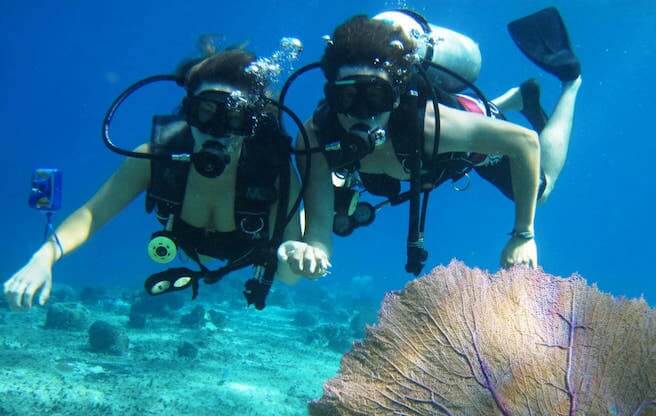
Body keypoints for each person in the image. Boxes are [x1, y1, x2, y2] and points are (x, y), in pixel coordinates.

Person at [3, 48, 329, 310]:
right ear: (188, 112)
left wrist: (295, 255)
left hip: (247, 253)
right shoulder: (155, 158)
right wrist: (43, 257)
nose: (216, 131)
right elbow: (92, 214)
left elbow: (288, 278)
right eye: (205, 113)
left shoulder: (273, 173)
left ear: (251, 124)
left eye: (233, 118)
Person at [291, 7, 582, 276]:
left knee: (540, 193)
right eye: (348, 98)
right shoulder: (315, 138)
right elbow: (318, 234)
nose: (363, 113)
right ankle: (517, 98)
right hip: (450, 134)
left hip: (464, 132)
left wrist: (524, 235)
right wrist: (312, 251)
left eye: (376, 96)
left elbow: (525, 142)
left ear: (395, 97)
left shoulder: (428, 125)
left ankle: (571, 82)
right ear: (331, 97)